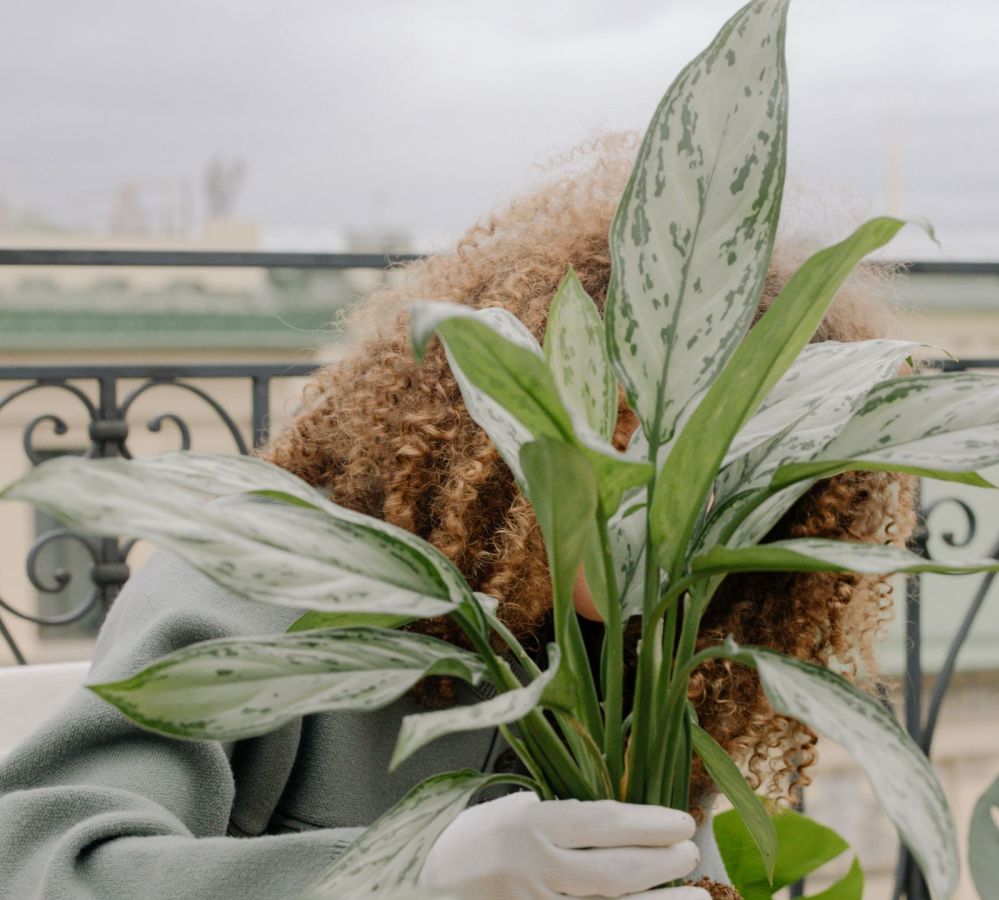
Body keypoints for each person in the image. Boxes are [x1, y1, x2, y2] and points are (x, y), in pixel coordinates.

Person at [0, 138, 915, 900]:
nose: (679, 508)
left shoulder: (646, 667)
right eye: (633, 435)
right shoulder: (268, 580)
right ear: (501, 409)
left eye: (738, 474)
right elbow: (43, 867)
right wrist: (413, 876)